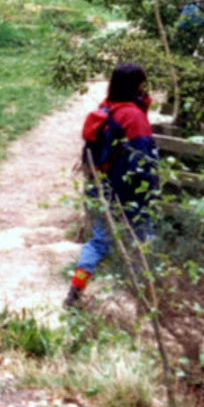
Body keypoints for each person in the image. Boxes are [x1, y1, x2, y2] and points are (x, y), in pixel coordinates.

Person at [65, 62, 160, 308]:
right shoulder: (133, 116)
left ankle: (76, 288)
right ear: (137, 85)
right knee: (143, 239)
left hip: (99, 186)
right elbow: (142, 158)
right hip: (127, 191)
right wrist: (148, 190)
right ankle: (148, 296)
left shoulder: (106, 108)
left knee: (99, 241)